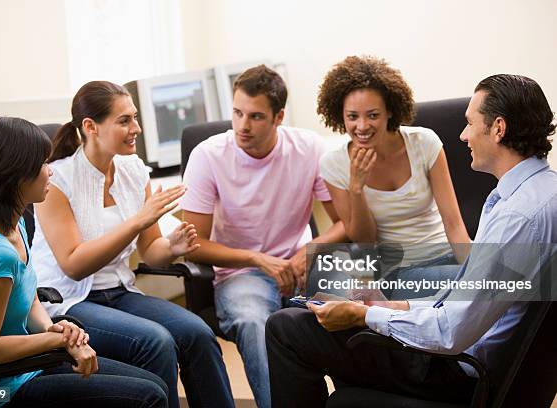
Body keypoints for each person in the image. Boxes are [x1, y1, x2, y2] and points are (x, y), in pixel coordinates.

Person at [266, 73, 557, 407]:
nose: (463, 135)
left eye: (470, 123)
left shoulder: (517, 216)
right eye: (352, 116)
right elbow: (468, 298)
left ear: (498, 128)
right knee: (333, 332)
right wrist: (393, 306)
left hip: (456, 369)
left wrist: (365, 316)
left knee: (285, 327)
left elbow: (452, 330)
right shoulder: (538, 193)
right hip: (457, 341)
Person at [30, 81, 234, 408]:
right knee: (157, 342)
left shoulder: (134, 170)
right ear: (90, 127)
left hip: (120, 292)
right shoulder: (57, 179)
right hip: (69, 300)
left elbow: (151, 249)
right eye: (124, 121)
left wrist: (174, 247)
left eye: (135, 118)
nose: (136, 128)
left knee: (197, 333)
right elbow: (73, 264)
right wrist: (137, 220)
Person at [0, 117, 168, 408]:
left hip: (23, 367)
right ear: (16, 176)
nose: (50, 172)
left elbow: (28, 298)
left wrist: (52, 328)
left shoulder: (15, 225)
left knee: (155, 384)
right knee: (149, 397)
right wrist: (59, 342)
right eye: (43, 165)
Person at [180, 64, 347, 408]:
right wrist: (256, 258)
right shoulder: (209, 156)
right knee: (256, 323)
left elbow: (345, 223)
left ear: (279, 117)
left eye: (255, 116)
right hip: (242, 274)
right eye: (237, 113)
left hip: (301, 264)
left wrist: (311, 250)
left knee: (357, 300)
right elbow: (194, 246)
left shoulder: (310, 148)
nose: (242, 125)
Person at [317, 56, 471, 299]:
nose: (362, 126)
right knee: (480, 286)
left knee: (498, 278)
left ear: (390, 110)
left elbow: (454, 224)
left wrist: (475, 269)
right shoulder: (333, 164)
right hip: (398, 272)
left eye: (373, 115)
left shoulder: (424, 143)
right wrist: (356, 188)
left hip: (445, 254)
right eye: (352, 116)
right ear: (340, 115)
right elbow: (364, 239)